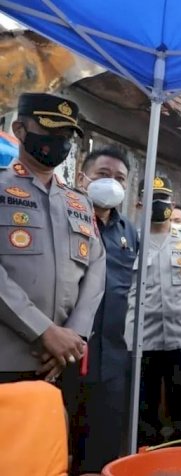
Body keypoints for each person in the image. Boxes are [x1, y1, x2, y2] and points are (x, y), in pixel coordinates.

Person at [0, 93, 105, 385]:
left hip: (63, 359)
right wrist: (44, 332)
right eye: (50, 130)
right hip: (8, 358)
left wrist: (76, 335)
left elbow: (96, 270)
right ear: (20, 130)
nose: (60, 140)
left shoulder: (79, 202)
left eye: (67, 134)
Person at [60, 146, 139, 475]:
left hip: (112, 361)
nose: (111, 183)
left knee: (104, 451)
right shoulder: (63, 217)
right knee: (59, 448)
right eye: (103, 175)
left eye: (119, 178)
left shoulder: (128, 232)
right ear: (83, 177)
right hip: (65, 355)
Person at [126, 176, 181, 445]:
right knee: (143, 415)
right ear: (140, 203)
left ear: (172, 203)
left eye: (163, 198)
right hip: (141, 342)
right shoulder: (130, 242)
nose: (158, 203)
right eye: (152, 198)